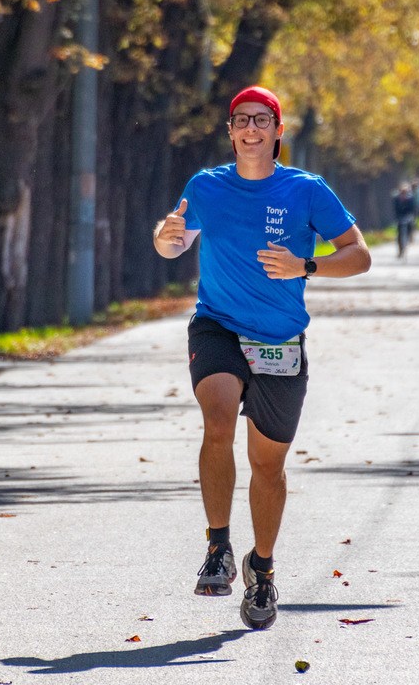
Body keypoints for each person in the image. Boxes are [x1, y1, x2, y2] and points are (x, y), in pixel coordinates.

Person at [152, 85, 370, 631]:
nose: (251, 129)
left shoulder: (306, 190)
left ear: (277, 132)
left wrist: (306, 265)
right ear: (230, 132)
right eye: (242, 120)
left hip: (280, 337)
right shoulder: (205, 186)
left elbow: (359, 254)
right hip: (218, 325)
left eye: (261, 120)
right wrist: (164, 236)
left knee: (267, 466)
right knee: (218, 419)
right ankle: (218, 547)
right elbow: (174, 243)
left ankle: (262, 568)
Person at [391, 183, 417, 258]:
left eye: (405, 192)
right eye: (402, 192)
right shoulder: (397, 199)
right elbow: (395, 209)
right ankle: (400, 250)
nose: (403, 194)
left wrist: (411, 217)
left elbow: (412, 209)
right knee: (399, 235)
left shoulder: (410, 199)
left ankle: (410, 237)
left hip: (408, 217)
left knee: (409, 228)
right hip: (400, 218)